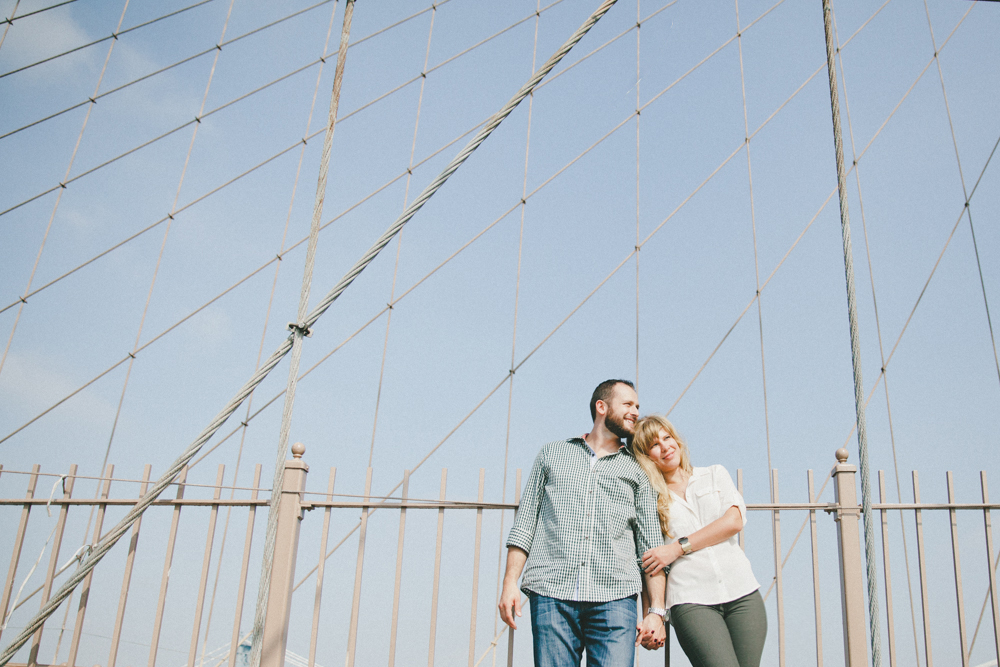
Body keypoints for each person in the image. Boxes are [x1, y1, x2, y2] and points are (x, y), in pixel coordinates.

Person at [497, 379, 668, 667]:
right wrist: (509, 582)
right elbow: (525, 523)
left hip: (615, 597)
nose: (635, 411)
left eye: (637, 406)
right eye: (627, 404)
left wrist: (656, 612)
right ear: (602, 407)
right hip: (552, 593)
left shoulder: (638, 470)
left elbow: (651, 547)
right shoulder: (552, 454)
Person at [631, 414, 767, 667]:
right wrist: (653, 615)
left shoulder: (715, 474)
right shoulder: (649, 499)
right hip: (691, 600)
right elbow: (650, 563)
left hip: (743, 593)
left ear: (677, 439)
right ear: (646, 456)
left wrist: (677, 548)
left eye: (667, 437)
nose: (665, 447)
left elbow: (733, 522)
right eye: (654, 444)